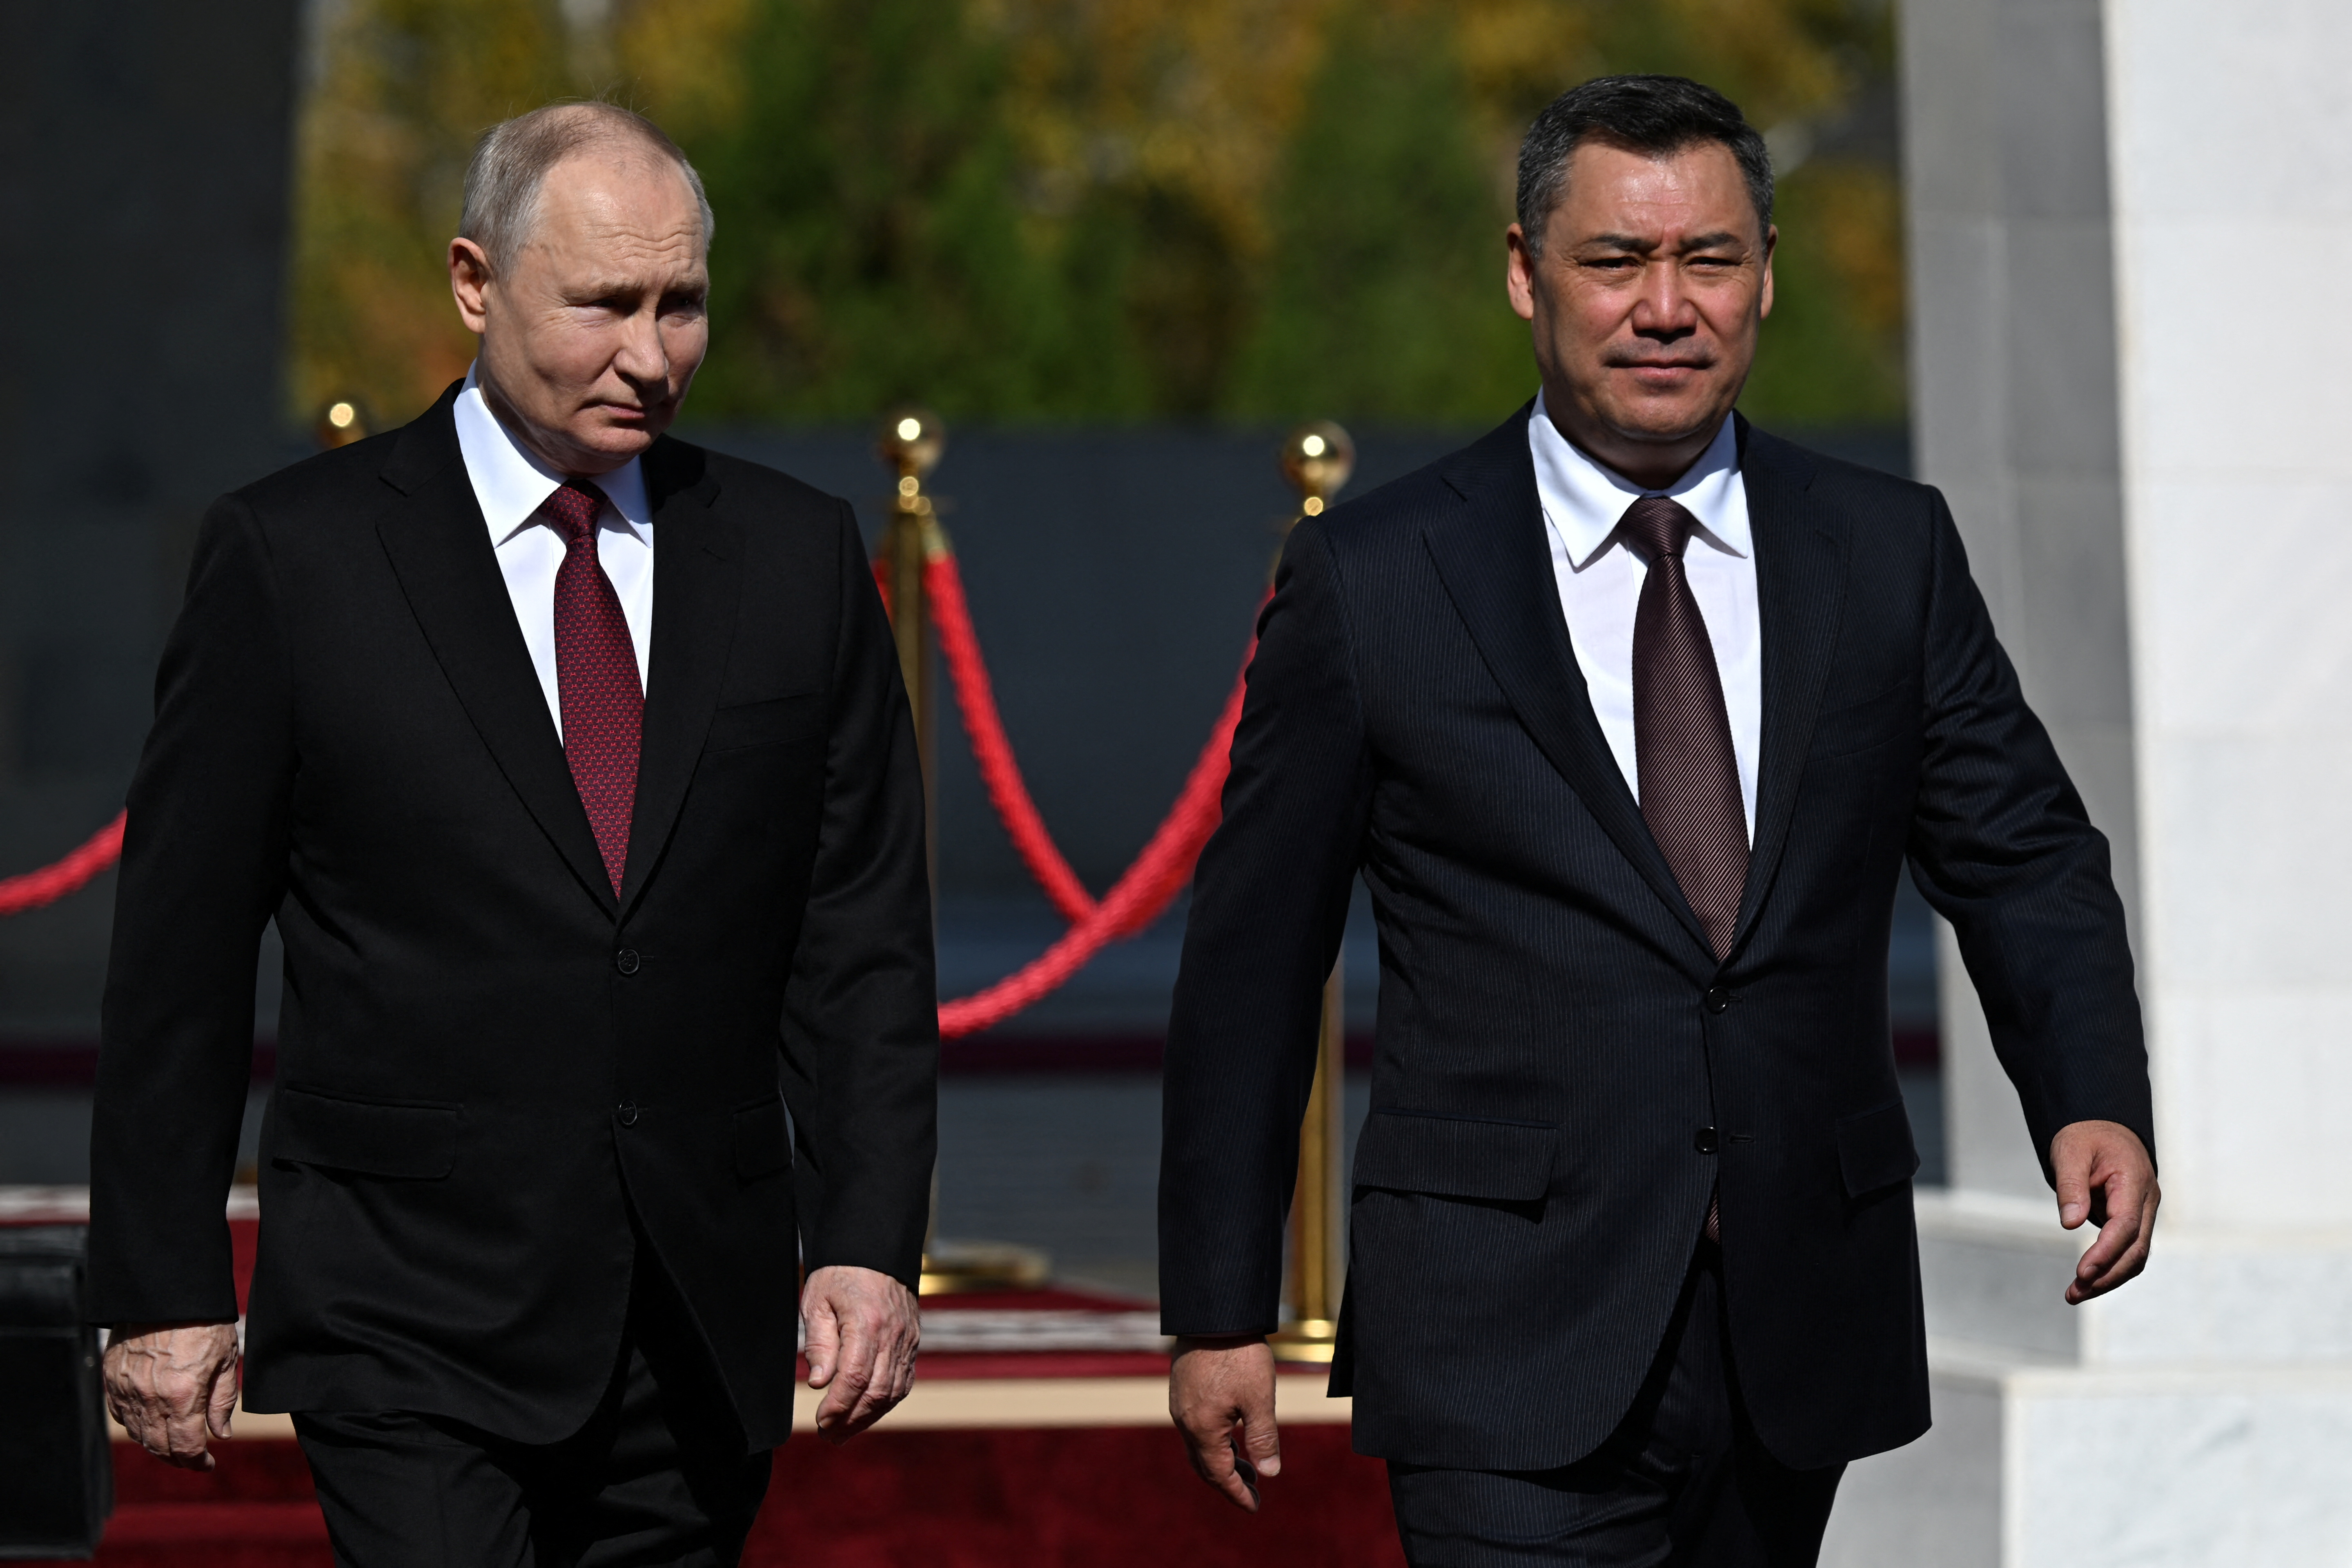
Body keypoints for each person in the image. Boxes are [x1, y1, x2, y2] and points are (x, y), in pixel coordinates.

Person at [1158, 74, 2159, 1566]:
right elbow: (1253, 959)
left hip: (1795, 1326)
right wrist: (1220, 1304)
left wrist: (2090, 1088)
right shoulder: (1378, 582)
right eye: (1616, 262)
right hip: (1503, 1341)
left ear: (1769, 276)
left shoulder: (1887, 554)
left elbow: (2021, 852)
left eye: (1710, 259)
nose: (1665, 307)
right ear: (1525, 273)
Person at [88, 102, 936, 1565]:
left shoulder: (793, 557)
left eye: (684, 307)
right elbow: (183, 953)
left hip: (697, 1318)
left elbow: (855, 932)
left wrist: (866, 1237)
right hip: (405, 1313)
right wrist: (163, 1281)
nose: (651, 354)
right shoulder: (295, 562)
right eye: (605, 304)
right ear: (476, 283)